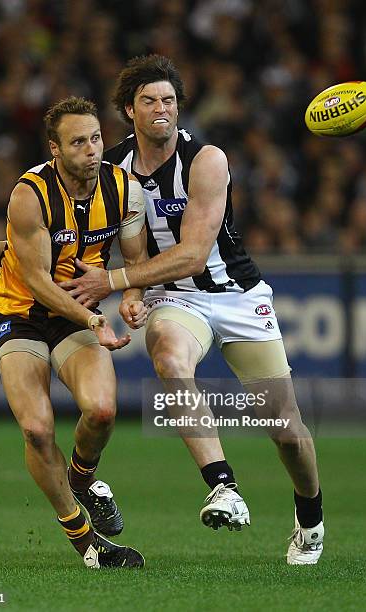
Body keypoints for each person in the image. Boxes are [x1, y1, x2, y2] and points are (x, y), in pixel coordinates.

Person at [58, 55, 325, 565]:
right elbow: (99, 236)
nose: (162, 109)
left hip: (238, 297)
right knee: (169, 357)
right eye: (149, 101)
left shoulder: (207, 159)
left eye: (169, 100)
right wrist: (134, 293)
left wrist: (114, 283)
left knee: (286, 429)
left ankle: (310, 517)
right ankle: (222, 485)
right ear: (128, 111)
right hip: (174, 299)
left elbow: (195, 253)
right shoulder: (111, 169)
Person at [0, 96, 148, 569]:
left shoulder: (125, 189)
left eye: (96, 138)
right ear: (55, 149)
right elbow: (40, 281)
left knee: (103, 410)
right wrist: (93, 320)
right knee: (37, 428)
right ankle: (87, 543)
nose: (91, 149)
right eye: (78, 141)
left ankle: (82, 477)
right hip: (21, 310)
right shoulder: (30, 193)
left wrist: (131, 296)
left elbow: (134, 261)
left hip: (77, 310)